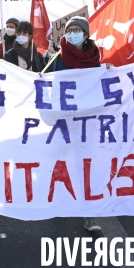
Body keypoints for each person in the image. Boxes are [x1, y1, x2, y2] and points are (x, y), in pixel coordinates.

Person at [40, 16, 101, 232]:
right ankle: (61, 202)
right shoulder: (57, 56)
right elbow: (45, 80)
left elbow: (100, 83)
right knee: (61, 162)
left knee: (85, 165)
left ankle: (90, 215)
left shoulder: (95, 57)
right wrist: (39, 78)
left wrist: (110, 71)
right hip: (62, 120)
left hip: (86, 120)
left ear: (85, 35)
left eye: (77, 30)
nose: (72, 33)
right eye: (69, 29)